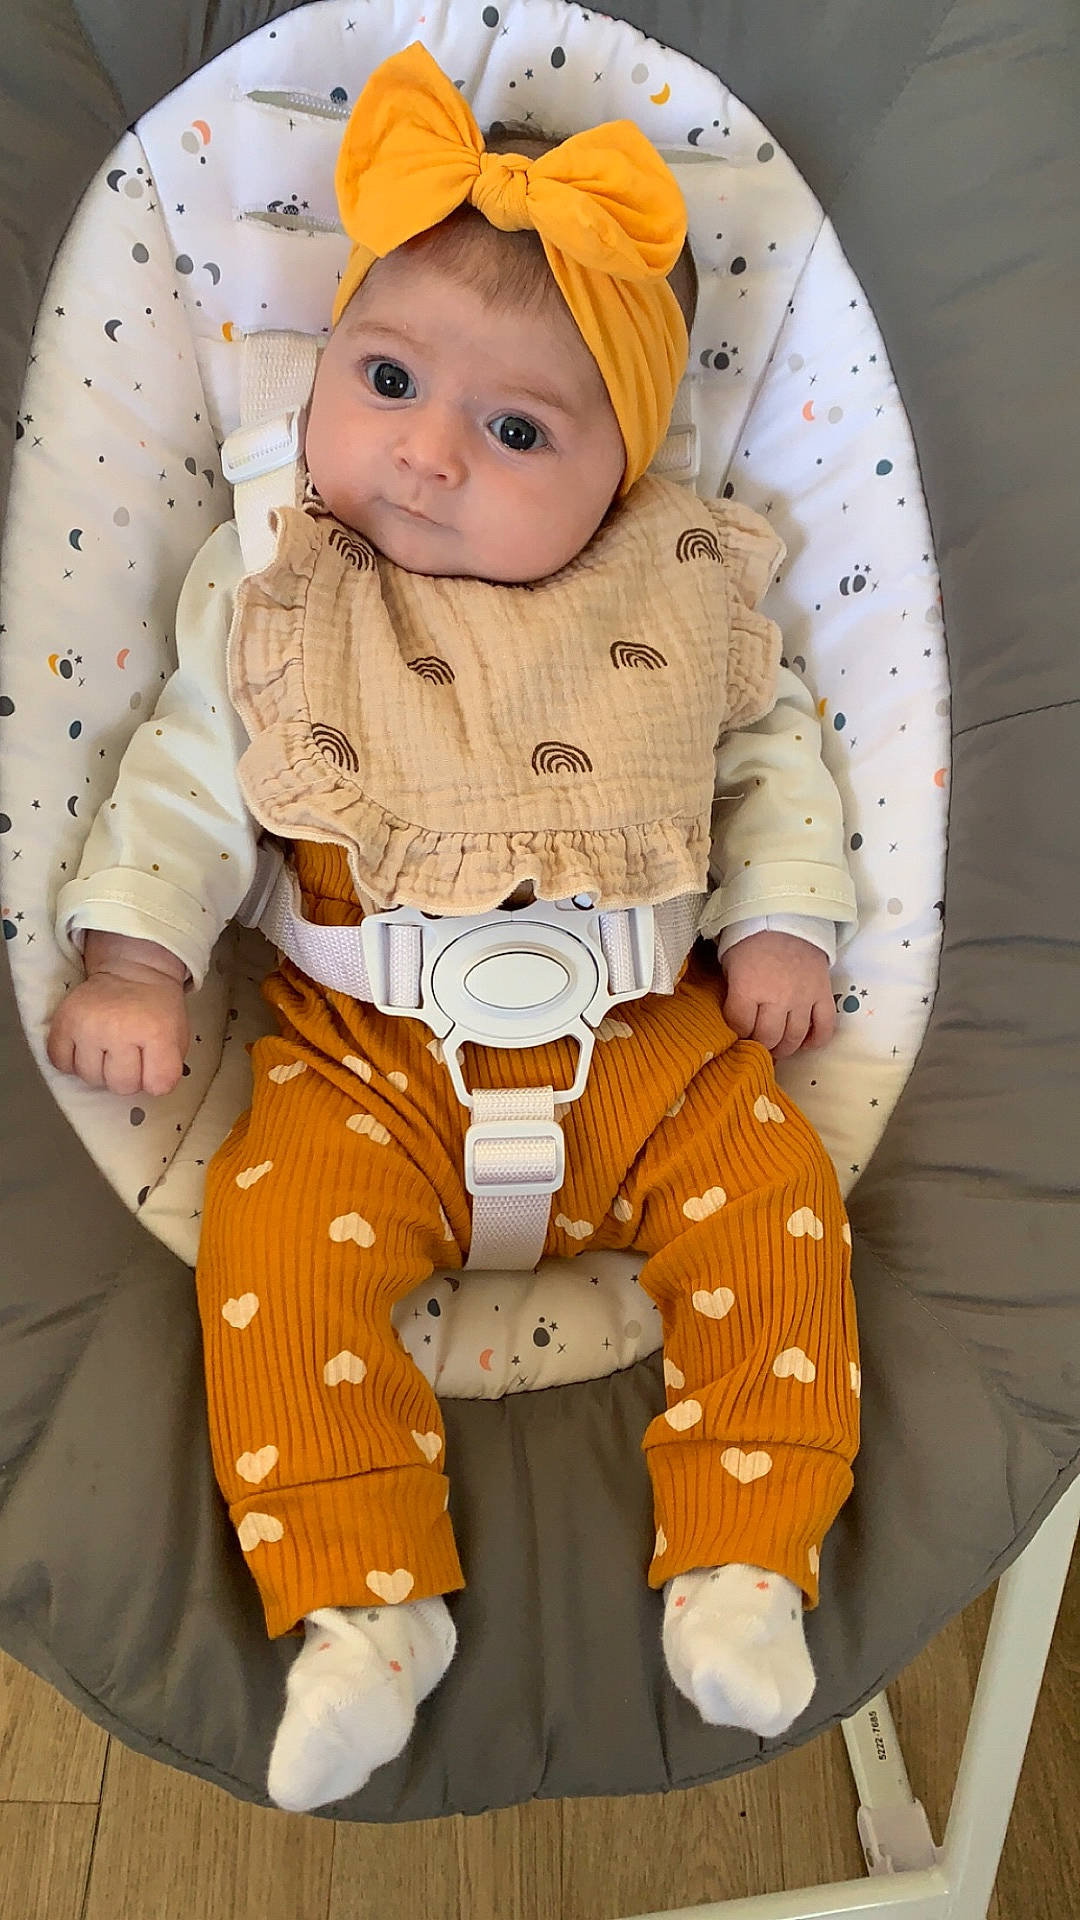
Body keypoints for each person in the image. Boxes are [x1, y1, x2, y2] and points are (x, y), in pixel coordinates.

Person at [47, 43, 860, 1812]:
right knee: (274, 1251)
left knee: (783, 1202)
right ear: (325, 366)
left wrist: (786, 920)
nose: (422, 456)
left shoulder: (687, 580)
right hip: (365, 1067)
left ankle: (748, 1552)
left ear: (624, 464)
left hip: (656, 1052)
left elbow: (774, 765)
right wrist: (134, 953)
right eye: (388, 377)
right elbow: (188, 780)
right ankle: (361, 1602)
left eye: (514, 430)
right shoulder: (279, 584)